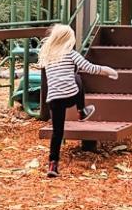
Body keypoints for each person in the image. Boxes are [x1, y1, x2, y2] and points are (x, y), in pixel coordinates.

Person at [37, 23, 118, 178]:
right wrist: (107, 71)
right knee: (78, 78)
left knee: (57, 133)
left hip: (54, 100)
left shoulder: (48, 57)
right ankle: (81, 110)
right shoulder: (71, 53)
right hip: (70, 96)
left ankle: (53, 164)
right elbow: (89, 68)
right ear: (69, 40)